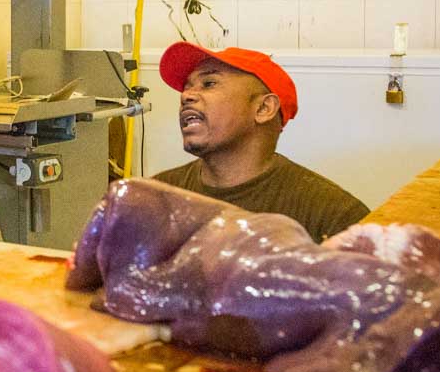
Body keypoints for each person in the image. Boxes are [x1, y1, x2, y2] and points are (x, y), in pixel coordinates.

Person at [153, 41, 369, 243]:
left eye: (209, 83)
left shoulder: (333, 216)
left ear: (264, 109)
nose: (186, 96)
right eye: (187, 87)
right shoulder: (156, 196)